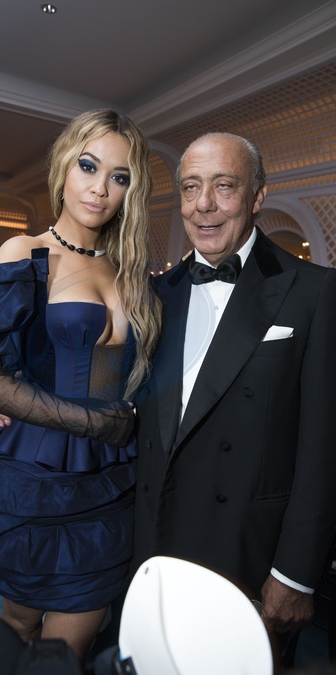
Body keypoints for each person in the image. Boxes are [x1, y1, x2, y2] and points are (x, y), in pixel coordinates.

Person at [0, 109, 161, 666]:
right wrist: (93, 422)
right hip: (36, 473)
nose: (100, 187)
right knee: (20, 623)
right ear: (64, 166)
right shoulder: (25, 251)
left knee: (71, 644)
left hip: (110, 478)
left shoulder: (132, 270)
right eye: (88, 166)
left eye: (119, 176)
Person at [133, 133, 336, 659]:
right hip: (152, 544)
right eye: (190, 187)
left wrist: (295, 573)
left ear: (257, 195)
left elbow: (324, 448)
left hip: (247, 551)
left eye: (224, 186)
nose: (203, 204)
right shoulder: (158, 293)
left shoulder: (315, 291)